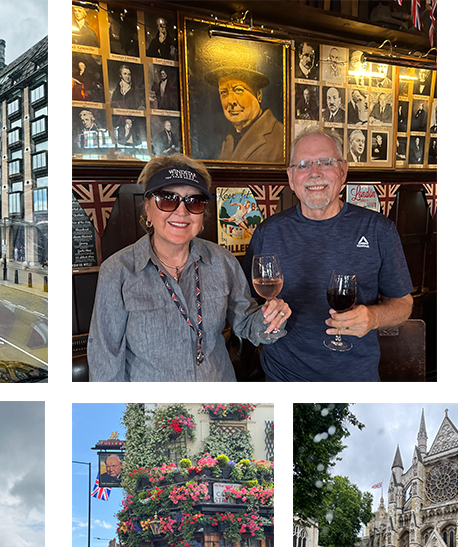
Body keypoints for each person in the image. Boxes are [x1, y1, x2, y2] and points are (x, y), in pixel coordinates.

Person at [87, 155, 291, 381]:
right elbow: (105, 362)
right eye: (167, 199)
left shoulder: (223, 262)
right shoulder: (117, 272)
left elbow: (246, 324)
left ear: (202, 213)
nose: (182, 211)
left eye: (194, 201)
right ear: (147, 208)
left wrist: (270, 318)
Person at [245, 128, 414, 382]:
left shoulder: (379, 229)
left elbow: (404, 304)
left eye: (326, 162)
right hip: (284, 379)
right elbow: (246, 308)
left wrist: (373, 317)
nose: (315, 173)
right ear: (291, 178)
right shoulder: (268, 232)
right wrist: (265, 317)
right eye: (303, 165)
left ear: (343, 171)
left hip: (355, 380)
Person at [204, 55, 284, 162]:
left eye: (238, 90)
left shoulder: (280, 138)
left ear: (258, 94)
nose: (231, 101)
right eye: (224, 92)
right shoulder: (227, 139)